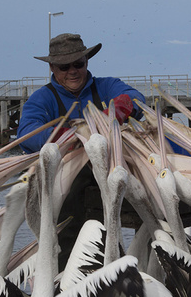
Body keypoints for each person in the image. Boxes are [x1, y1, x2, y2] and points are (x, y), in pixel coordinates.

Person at [17, 33, 146, 269]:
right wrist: (70, 136)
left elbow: (137, 98)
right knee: (70, 250)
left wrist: (121, 108)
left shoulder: (105, 86)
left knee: (111, 239)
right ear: (52, 68)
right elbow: (27, 133)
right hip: (68, 188)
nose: (72, 71)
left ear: (87, 62)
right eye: (64, 66)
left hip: (110, 178)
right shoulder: (42, 99)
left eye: (78, 64)